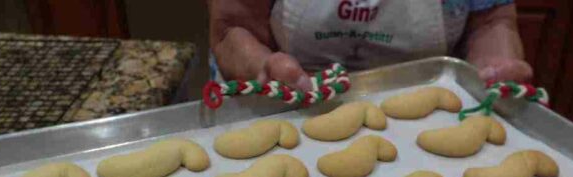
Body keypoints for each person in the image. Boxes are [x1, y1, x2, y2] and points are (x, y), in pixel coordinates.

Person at [209, 0, 532, 91]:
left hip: (423, 108)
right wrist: (261, 67)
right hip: (286, 104)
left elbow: (491, 22)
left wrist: (494, 67)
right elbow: (233, 28)